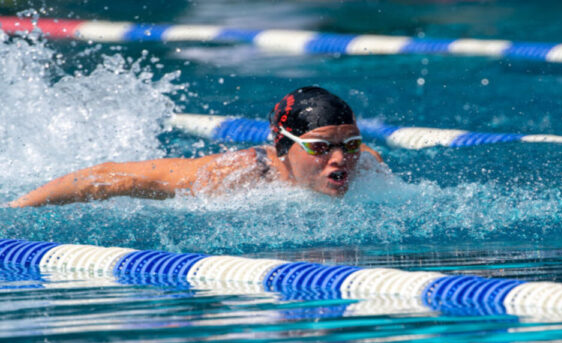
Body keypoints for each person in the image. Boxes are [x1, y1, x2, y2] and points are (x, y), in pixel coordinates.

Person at [9, 86, 383, 208]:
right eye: (320, 147)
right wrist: (15, 209)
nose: (341, 159)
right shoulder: (238, 175)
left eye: (350, 143)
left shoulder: (367, 166)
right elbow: (109, 177)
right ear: (283, 146)